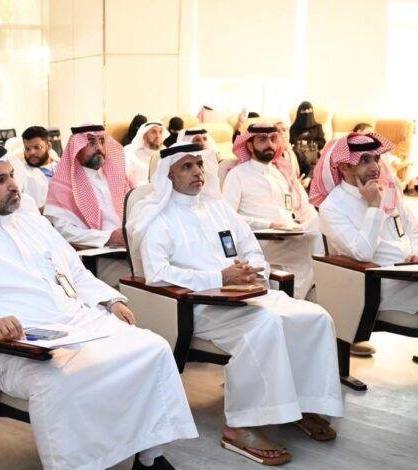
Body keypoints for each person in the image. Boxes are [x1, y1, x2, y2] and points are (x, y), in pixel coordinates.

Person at [0, 147, 197, 470]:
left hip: (78, 322)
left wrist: (109, 300)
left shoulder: (32, 223)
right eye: (0, 180)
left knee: (153, 348)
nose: (13, 185)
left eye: (11, 176)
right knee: (63, 380)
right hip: (18, 343)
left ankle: (148, 457)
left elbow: (75, 272)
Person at [128, 142, 343, 466]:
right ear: (168, 176)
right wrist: (218, 277)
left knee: (315, 316)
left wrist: (253, 271)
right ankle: (239, 426)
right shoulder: (159, 218)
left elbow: (252, 249)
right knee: (266, 325)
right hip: (198, 306)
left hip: (247, 296)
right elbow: (157, 274)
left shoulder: (219, 208)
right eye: (186, 166)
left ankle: (301, 405)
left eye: (199, 164)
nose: (197, 172)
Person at [312, 132, 417, 355]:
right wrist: (374, 206)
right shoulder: (333, 207)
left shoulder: (388, 191)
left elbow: (413, 230)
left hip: (411, 275)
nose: (375, 167)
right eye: (365, 160)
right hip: (380, 284)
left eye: (376, 159)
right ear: (344, 167)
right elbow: (363, 253)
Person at [223, 124, 323, 300]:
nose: (269, 144)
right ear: (249, 145)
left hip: (292, 237)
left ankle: (308, 295)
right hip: (260, 242)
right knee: (311, 256)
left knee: (319, 224)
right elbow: (228, 217)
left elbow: (306, 208)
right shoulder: (237, 175)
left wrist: (307, 223)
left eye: (273, 139)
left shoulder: (282, 173)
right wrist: (269, 224)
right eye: (262, 140)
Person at [44, 125, 134, 286]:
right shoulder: (62, 185)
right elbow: (63, 232)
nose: (99, 148)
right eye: (91, 142)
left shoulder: (118, 177)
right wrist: (108, 238)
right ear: (76, 149)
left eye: (101, 141)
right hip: (97, 258)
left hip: (130, 250)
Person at [8, 126, 58, 208]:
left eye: (37, 147)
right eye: (27, 149)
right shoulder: (20, 171)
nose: (32, 152)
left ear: (48, 146)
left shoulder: (61, 167)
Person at [290, 101, 326, 168]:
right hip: (298, 155)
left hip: (313, 154)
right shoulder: (294, 128)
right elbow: (292, 142)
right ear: (299, 112)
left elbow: (322, 142)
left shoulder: (317, 126)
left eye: (309, 110)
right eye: (303, 110)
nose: (306, 112)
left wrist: (309, 144)